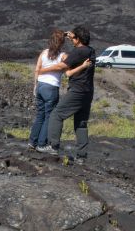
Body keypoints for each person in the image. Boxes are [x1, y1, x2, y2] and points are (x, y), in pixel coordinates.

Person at [36, 26, 96, 162]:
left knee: (56, 115)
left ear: (78, 39)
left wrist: (43, 69)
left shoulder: (78, 52)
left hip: (77, 91)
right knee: (81, 123)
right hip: (88, 92)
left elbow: (61, 66)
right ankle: (81, 156)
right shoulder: (91, 51)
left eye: (73, 38)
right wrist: (72, 36)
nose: (71, 40)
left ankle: (53, 146)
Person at [29, 29, 67, 150]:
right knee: (48, 117)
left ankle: (32, 142)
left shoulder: (44, 52)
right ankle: (41, 144)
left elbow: (37, 69)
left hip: (40, 85)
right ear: (62, 43)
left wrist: (35, 85)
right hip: (51, 87)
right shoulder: (63, 56)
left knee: (40, 115)